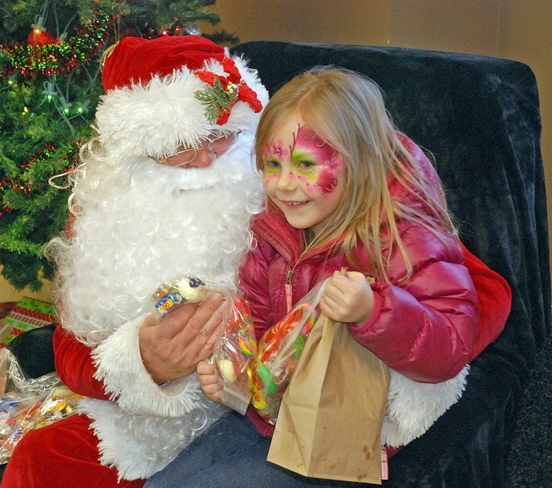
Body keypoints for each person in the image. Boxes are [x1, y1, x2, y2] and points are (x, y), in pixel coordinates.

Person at [145, 67, 511, 487]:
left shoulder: (402, 237)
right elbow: (261, 328)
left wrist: (375, 311)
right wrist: (236, 374)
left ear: (361, 163)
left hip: (345, 432)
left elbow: (451, 342)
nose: (284, 184)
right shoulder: (269, 230)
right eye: (272, 163)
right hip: (273, 417)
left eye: (305, 164)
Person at [0, 35, 269, 487]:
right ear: (137, 150)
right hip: (141, 426)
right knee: (40, 457)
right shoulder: (107, 211)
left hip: (258, 416)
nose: (204, 160)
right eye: (181, 145)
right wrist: (145, 364)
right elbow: (69, 352)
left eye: (221, 136)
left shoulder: (277, 189)